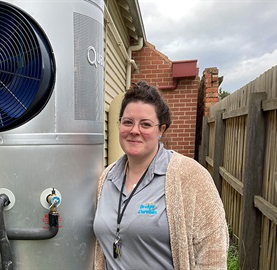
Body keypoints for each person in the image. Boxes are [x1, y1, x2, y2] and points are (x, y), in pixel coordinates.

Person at [93, 81, 229, 270]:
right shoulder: (107, 177)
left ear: (161, 130)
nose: (134, 130)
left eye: (146, 124)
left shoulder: (190, 176)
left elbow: (213, 254)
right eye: (127, 122)